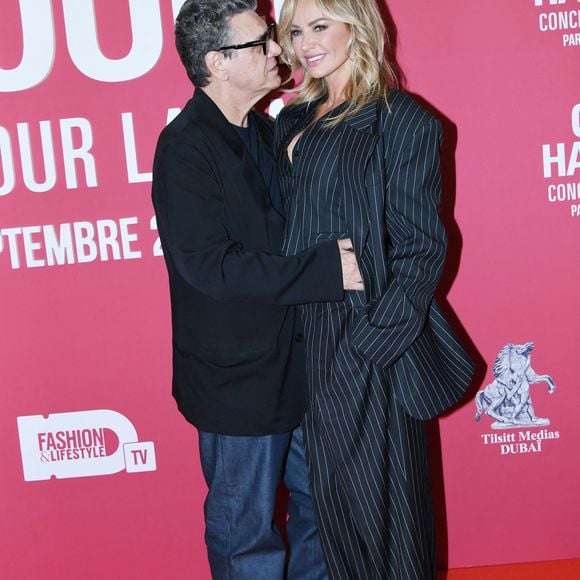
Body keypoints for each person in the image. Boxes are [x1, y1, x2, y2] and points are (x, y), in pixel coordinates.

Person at [151, 1, 362, 578]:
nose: (278, 51)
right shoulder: (185, 149)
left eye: (273, 38)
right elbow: (211, 267)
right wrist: (327, 272)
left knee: (322, 509)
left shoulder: (268, 131)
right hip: (236, 384)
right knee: (245, 533)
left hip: (302, 367)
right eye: (260, 44)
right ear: (217, 63)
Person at [275, 0, 476, 577]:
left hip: (363, 338)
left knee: (384, 518)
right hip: (298, 341)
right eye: (295, 31)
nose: (306, 42)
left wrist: (370, 348)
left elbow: (421, 249)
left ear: (356, 25)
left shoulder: (402, 120)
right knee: (327, 517)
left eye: (320, 26)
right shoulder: (291, 119)